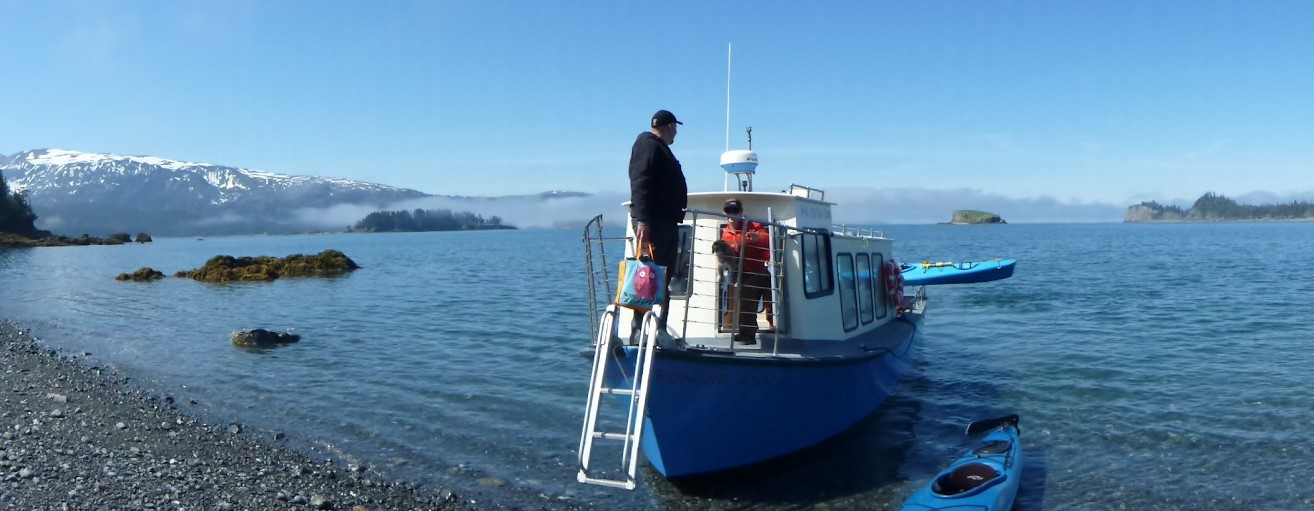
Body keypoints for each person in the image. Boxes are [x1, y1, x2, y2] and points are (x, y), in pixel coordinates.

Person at [628, 110, 688, 329]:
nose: (676, 133)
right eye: (675, 128)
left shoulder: (657, 147)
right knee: (649, 276)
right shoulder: (649, 144)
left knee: (661, 277)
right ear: (669, 126)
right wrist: (643, 220)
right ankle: (642, 328)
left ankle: (657, 328)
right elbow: (640, 182)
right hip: (655, 223)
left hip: (664, 222)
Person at [720, 198, 771, 345]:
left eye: (735, 211)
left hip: (758, 271)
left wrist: (757, 238)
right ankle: (745, 332)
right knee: (742, 297)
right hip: (740, 272)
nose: (731, 215)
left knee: (748, 294)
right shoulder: (726, 234)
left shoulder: (753, 226)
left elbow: (767, 239)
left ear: (741, 212)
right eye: (728, 211)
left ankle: (749, 333)